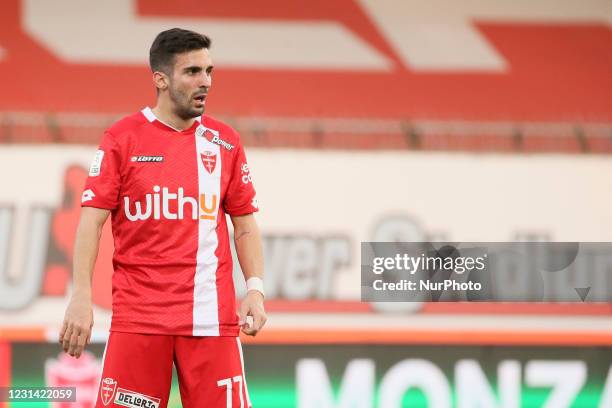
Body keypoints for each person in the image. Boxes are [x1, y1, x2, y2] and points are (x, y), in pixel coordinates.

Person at [59, 28, 266, 408]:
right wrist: (82, 295)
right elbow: (91, 221)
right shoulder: (122, 139)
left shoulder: (226, 142)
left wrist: (255, 287)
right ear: (160, 79)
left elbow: (245, 224)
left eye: (209, 71)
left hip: (210, 322)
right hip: (139, 319)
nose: (205, 82)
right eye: (192, 72)